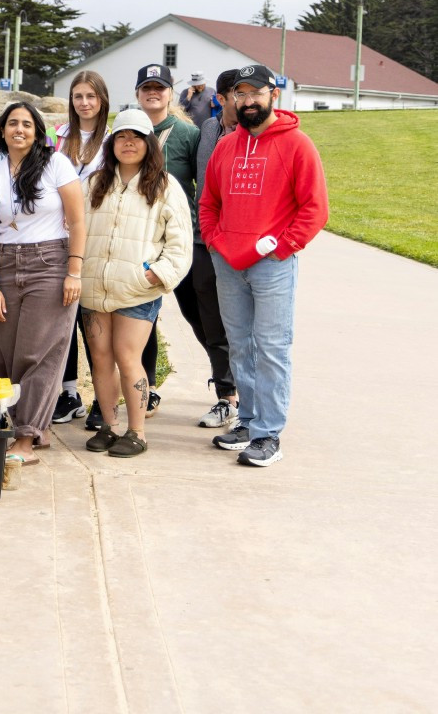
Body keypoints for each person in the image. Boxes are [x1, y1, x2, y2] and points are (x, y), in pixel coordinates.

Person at [199, 63, 328, 467]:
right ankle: (249, 421)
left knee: (271, 347)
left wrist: (284, 247)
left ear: (274, 95)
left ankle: (269, 433)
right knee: (240, 345)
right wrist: (217, 244)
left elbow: (315, 208)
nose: (248, 100)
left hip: (272, 265)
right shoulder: (225, 146)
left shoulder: (297, 145)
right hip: (228, 263)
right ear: (232, 99)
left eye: (256, 92)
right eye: (241, 93)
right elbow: (209, 203)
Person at [77, 109, 192, 458]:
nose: (129, 143)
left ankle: (136, 431)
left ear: (149, 144)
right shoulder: (93, 183)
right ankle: (109, 427)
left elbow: (180, 244)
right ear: (113, 143)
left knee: (129, 357)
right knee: (100, 359)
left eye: (137, 137)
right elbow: (73, 229)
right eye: (123, 136)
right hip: (95, 288)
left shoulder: (165, 186)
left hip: (136, 289)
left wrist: (156, 274)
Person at [0, 101, 86, 465]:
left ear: (38, 131)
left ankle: (26, 437)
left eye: (26, 124)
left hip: (50, 263)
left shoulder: (57, 165)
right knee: (5, 354)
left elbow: (78, 221)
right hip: (6, 266)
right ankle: (34, 427)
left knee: (37, 352)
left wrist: (74, 270)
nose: (18, 129)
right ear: (2, 131)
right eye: (12, 124)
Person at [129, 63, 203, 423]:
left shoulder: (187, 134)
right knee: (143, 319)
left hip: (180, 239)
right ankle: (147, 388)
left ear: (171, 93)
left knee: (199, 315)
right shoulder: (129, 132)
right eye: (146, 88)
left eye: (160, 87)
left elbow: (202, 185)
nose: (153, 93)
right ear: (138, 93)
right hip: (141, 240)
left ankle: (229, 388)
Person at [52, 70, 110, 424]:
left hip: (99, 235)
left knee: (96, 318)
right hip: (60, 236)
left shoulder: (113, 138)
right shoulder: (59, 136)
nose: (84, 103)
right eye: (78, 97)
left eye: (90, 96)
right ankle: (69, 392)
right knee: (64, 317)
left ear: (102, 99)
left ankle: (104, 399)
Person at [191, 69, 242, 429]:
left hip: (242, 243)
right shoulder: (208, 130)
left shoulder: (259, 135)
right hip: (205, 238)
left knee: (242, 324)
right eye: (236, 95)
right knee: (210, 319)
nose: (244, 102)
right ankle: (227, 395)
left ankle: (245, 400)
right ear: (219, 99)